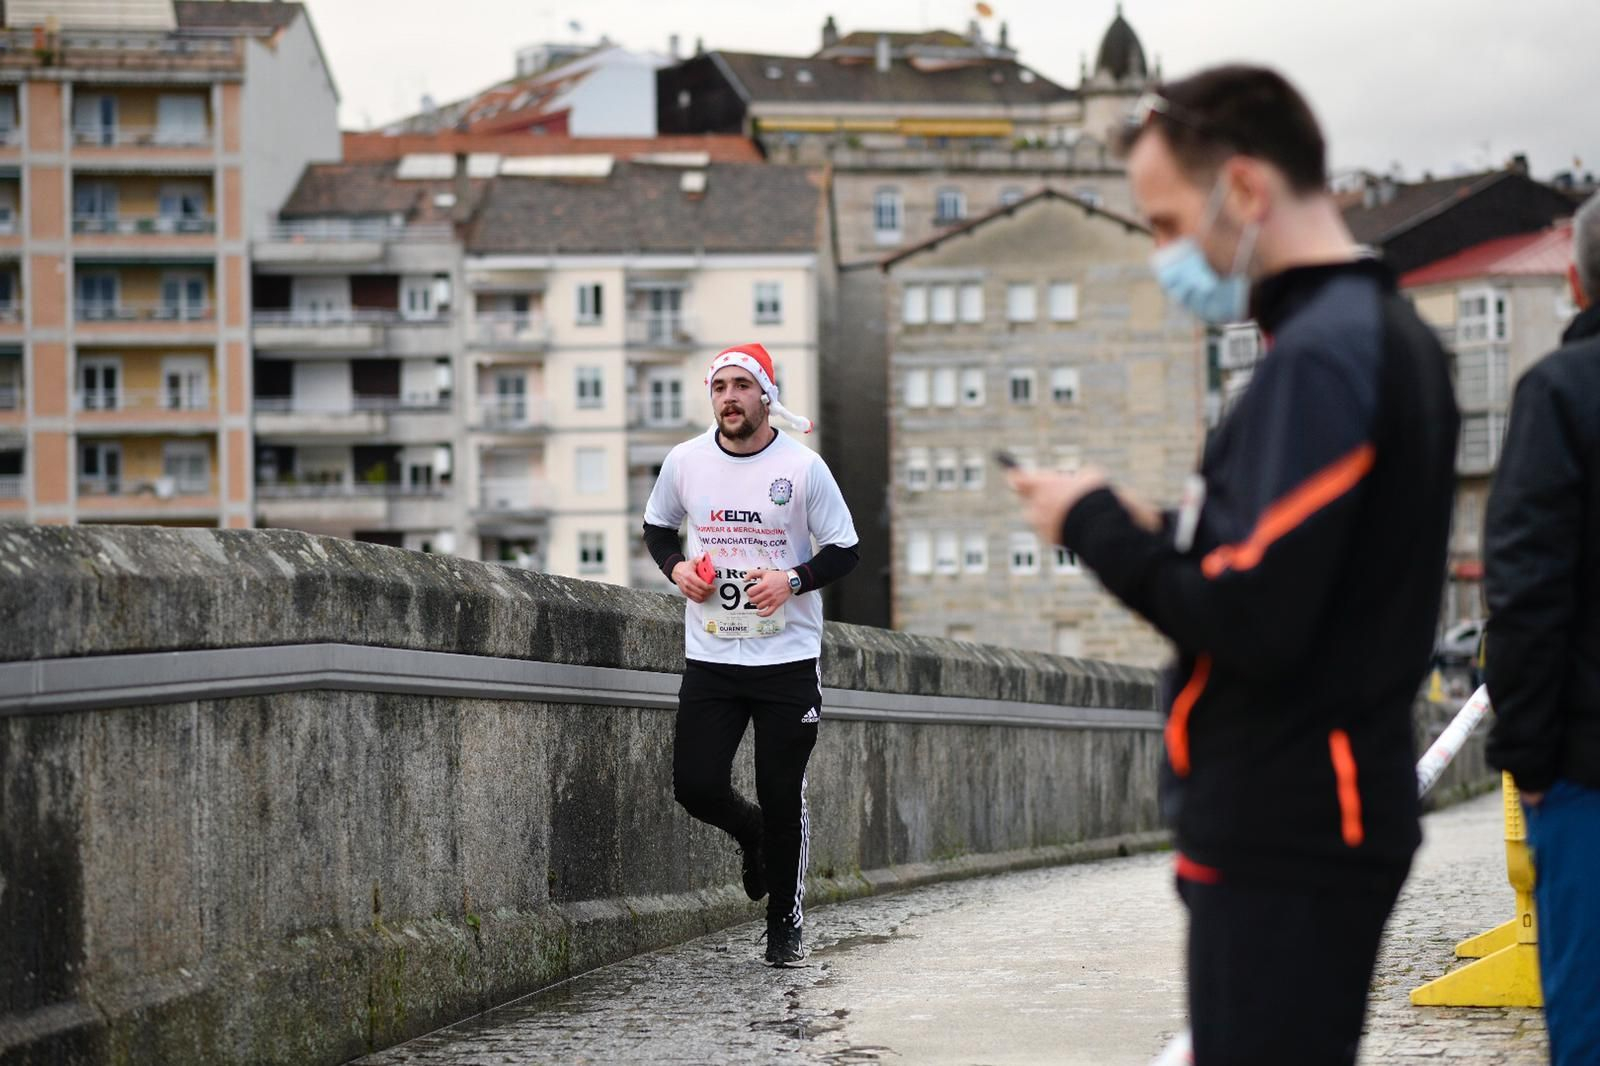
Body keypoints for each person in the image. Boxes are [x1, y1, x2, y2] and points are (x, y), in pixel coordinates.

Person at [1008, 66, 1458, 1064]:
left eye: (1165, 224)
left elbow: (1252, 613)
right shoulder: (1381, 337)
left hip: (1288, 817)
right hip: (1316, 804)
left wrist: (1092, 522)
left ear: (1246, 192)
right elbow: (1303, 560)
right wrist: (1162, 525)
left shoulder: (1322, 356)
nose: (1165, 255)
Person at [642, 343, 859, 966]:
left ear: (766, 396)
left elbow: (845, 549)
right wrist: (676, 566)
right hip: (711, 654)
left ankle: (783, 927)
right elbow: (658, 527)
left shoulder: (804, 467)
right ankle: (753, 833)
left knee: (782, 790)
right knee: (696, 785)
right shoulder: (685, 461)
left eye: (742, 386)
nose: (729, 398)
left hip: (785, 660)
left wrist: (791, 581)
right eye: (719, 388)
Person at [1484, 189, 1600, 1065]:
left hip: (1588, 772)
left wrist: (1527, 760)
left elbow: (1526, 596)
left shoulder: (1560, 394)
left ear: (1576, 281)